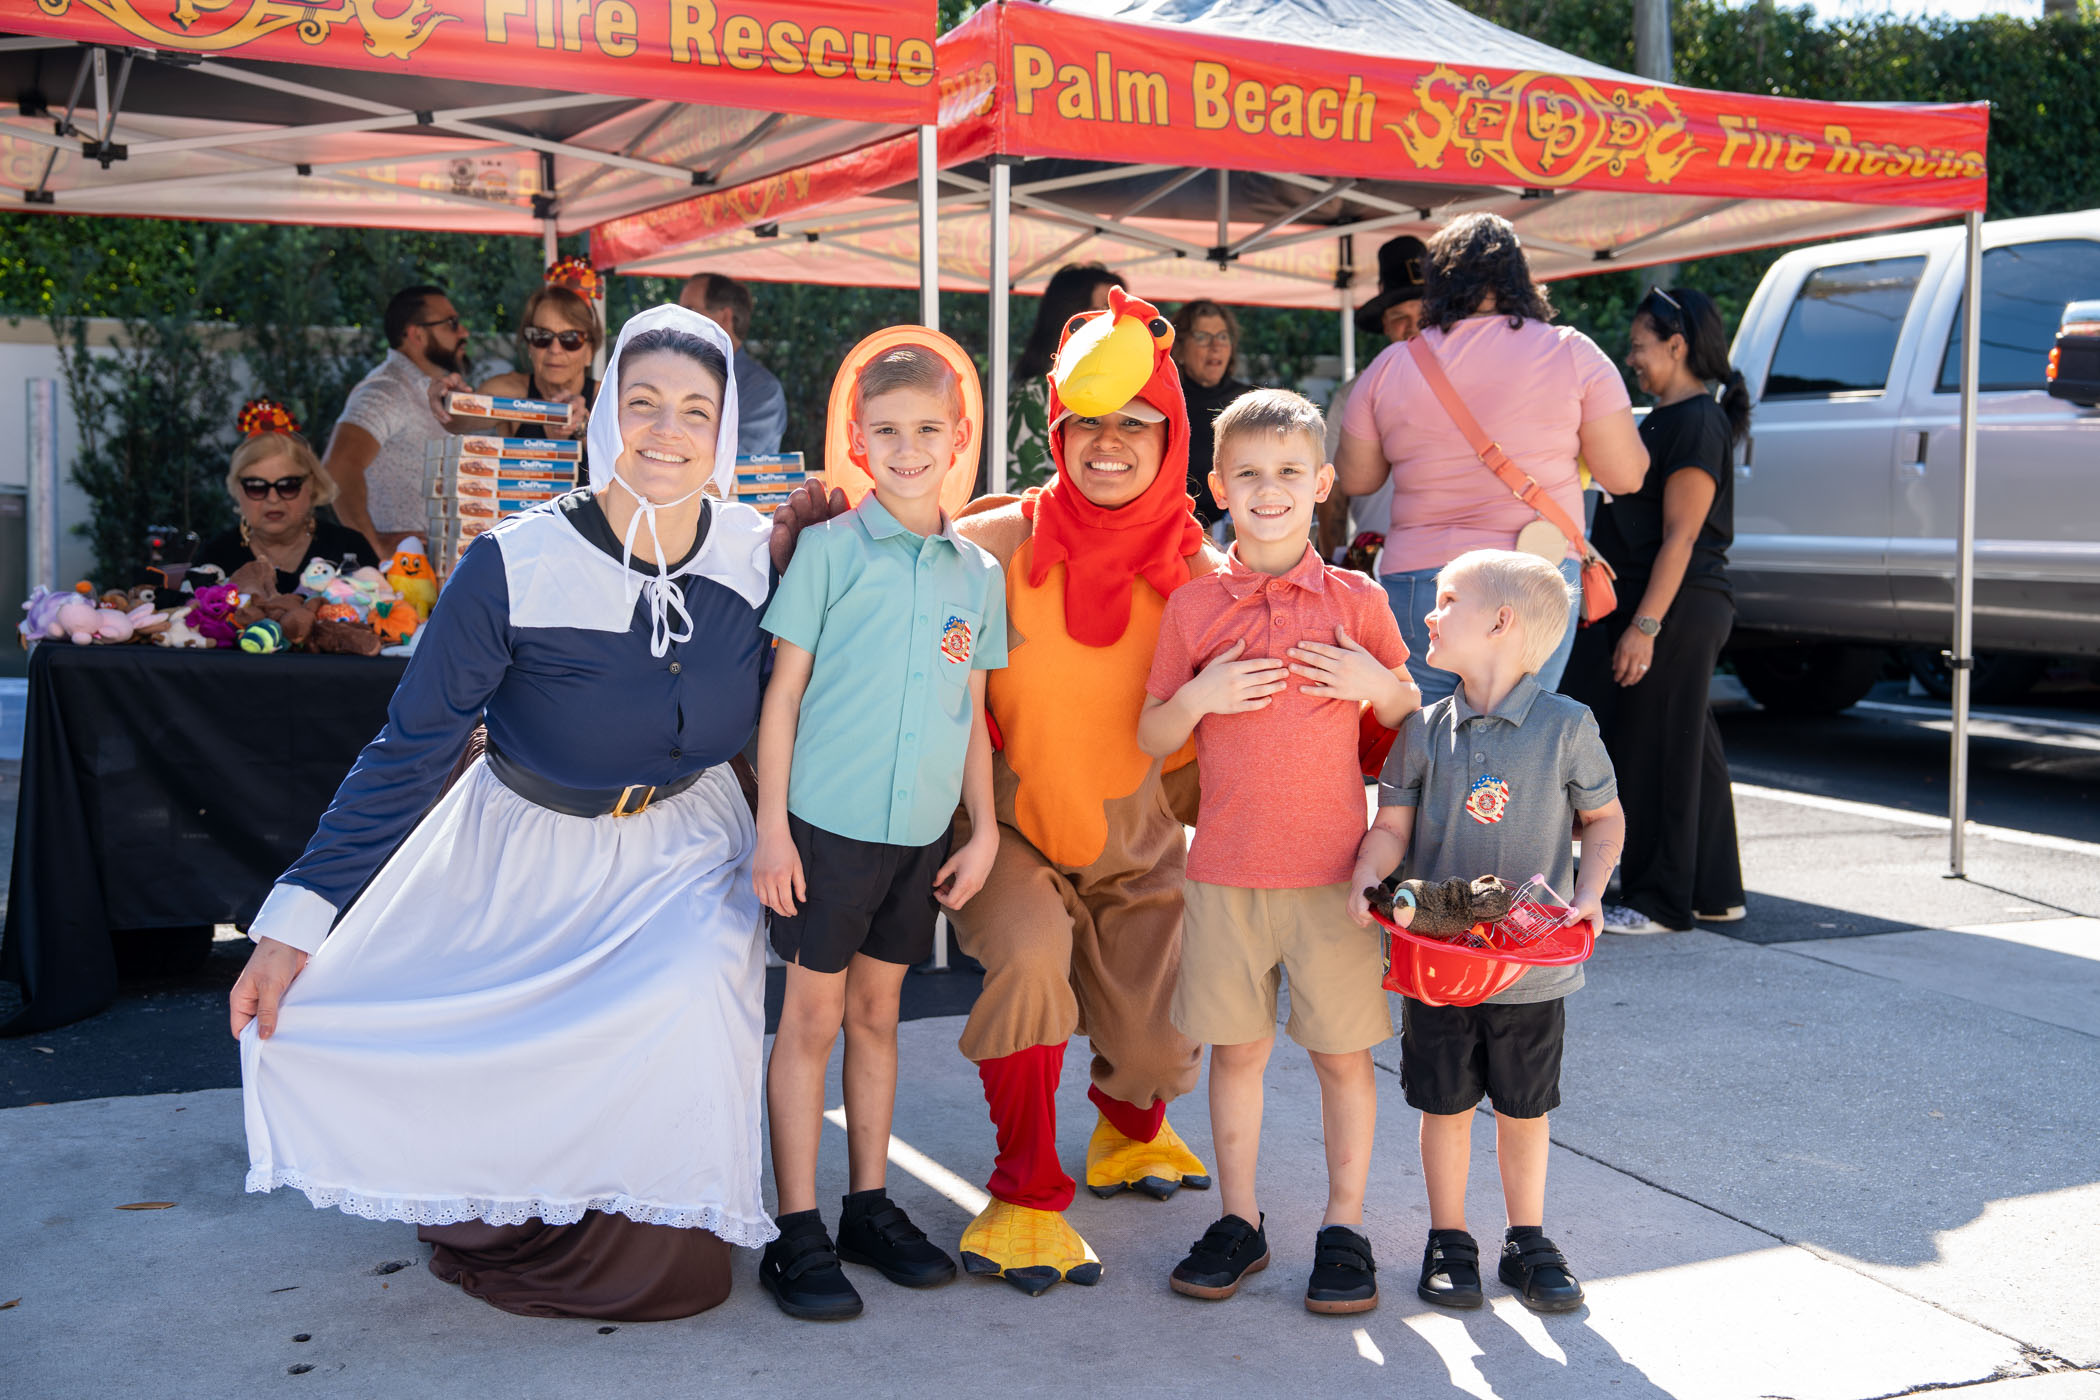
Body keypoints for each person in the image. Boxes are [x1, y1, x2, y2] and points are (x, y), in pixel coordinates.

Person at [229, 304, 844, 1323]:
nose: (667, 429)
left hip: (689, 850)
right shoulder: (513, 563)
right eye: (642, 402)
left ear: (726, 428)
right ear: (606, 411)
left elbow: (821, 687)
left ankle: (656, 1213)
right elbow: (410, 745)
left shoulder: (756, 554)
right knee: (464, 1047)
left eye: (697, 409)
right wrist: (293, 923)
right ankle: (512, 1208)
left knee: (687, 1011)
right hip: (527, 853)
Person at [944, 286, 1218, 1296]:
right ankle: (1023, 1190)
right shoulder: (989, 544)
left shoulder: (1203, 570)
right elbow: (880, 561)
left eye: (1135, 423)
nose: (1109, 443)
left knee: (1158, 1037)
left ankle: (1129, 1130)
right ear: (1056, 431)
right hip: (1007, 832)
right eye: (1086, 423)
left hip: (1139, 841)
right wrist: (804, 532)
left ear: (1169, 434)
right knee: (1029, 963)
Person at [1138, 389, 1417, 1313]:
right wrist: (1203, 695)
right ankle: (1241, 1220)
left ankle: (1344, 1227)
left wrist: (1376, 680)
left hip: (1337, 883)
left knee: (1343, 1058)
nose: (1269, 491)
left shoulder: (1360, 602)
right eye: (1248, 474)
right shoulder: (1191, 608)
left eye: (1290, 473)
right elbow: (1150, 735)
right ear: (1217, 484)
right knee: (1238, 1055)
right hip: (1224, 874)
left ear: (1324, 484)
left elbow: (1406, 724)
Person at [752, 335, 1006, 1321]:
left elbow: (972, 715)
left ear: (958, 439)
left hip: (919, 837)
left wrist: (980, 830)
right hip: (825, 830)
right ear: (858, 438)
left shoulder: (975, 575)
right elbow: (782, 700)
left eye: (927, 430)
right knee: (811, 1019)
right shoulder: (825, 553)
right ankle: (798, 1226)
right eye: (888, 431)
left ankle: (866, 1203)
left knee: (878, 1017)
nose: (908, 448)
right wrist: (772, 829)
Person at [1347, 550, 1626, 1318]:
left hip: (1532, 969)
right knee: (1444, 1103)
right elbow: (1391, 827)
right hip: (1438, 967)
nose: (1428, 615)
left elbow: (1603, 819)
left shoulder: (1569, 727)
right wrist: (1366, 876)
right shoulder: (1423, 730)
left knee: (1524, 1107)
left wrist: (1592, 894)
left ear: (1500, 622)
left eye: (1445, 600)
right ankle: (1450, 1238)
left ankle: (1526, 1238)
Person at [1335, 214, 1648, 707]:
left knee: (1422, 736)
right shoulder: (1573, 353)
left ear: (1439, 283)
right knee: (1519, 745)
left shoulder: (1393, 364)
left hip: (1420, 579)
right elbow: (1627, 477)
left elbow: (1356, 477)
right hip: (1535, 576)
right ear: (1518, 277)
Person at [1567, 287, 1751, 936]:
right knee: (1687, 747)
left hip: (1676, 603)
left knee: (1655, 753)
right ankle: (1713, 891)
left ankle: (1658, 901)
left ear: (1677, 346)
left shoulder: (1697, 420)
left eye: (1641, 346)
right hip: (1667, 603)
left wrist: (1645, 626)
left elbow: (1682, 535)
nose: (1632, 358)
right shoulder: (1662, 417)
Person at [327, 284, 469, 559]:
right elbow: (337, 467)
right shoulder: (387, 390)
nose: (464, 332)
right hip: (404, 578)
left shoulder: (432, 388)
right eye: (452, 323)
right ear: (416, 334)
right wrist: (373, 545)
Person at [1316, 236, 1429, 566]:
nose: (1413, 328)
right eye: (1399, 316)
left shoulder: (1471, 383)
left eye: (1424, 314)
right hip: (1374, 560)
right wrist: (1331, 567)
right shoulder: (1353, 394)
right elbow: (1332, 493)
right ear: (1384, 323)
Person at [196, 400, 378, 596]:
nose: (273, 499)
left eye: (288, 485)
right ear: (238, 490)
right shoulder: (216, 555)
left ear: (312, 486)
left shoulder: (350, 549)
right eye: (256, 487)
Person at [430, 259, 602, 453]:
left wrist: (583, 427)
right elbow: (458, 421)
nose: (555, 349)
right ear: (529, 345)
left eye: (570, 339)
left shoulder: (609, 398)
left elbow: (623, 466)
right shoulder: (510, 390)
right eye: (541, 337)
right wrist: (448, 399)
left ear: (590, 351)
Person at [1009, 263, 1124, 491]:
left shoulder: (1127, 387)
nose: (1117, 319)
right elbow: (1016, 492)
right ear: (1070, 317)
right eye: (1104, 309)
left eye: (1120, 310)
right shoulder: (1034, 395)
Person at [680, 272, 787, 456]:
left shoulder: (763, 390)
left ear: (724, 317)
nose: (678, 321)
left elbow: (734, 461)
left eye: (689, 312)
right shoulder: (677, 375)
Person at [1172, 298, 1256, 530]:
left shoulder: (1252, 402)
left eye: (1222, 336)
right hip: (1178, 530)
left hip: (1241, 532)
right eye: (1202, 337)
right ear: (1179, 346)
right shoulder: (1165, 402)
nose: (1215, 346)